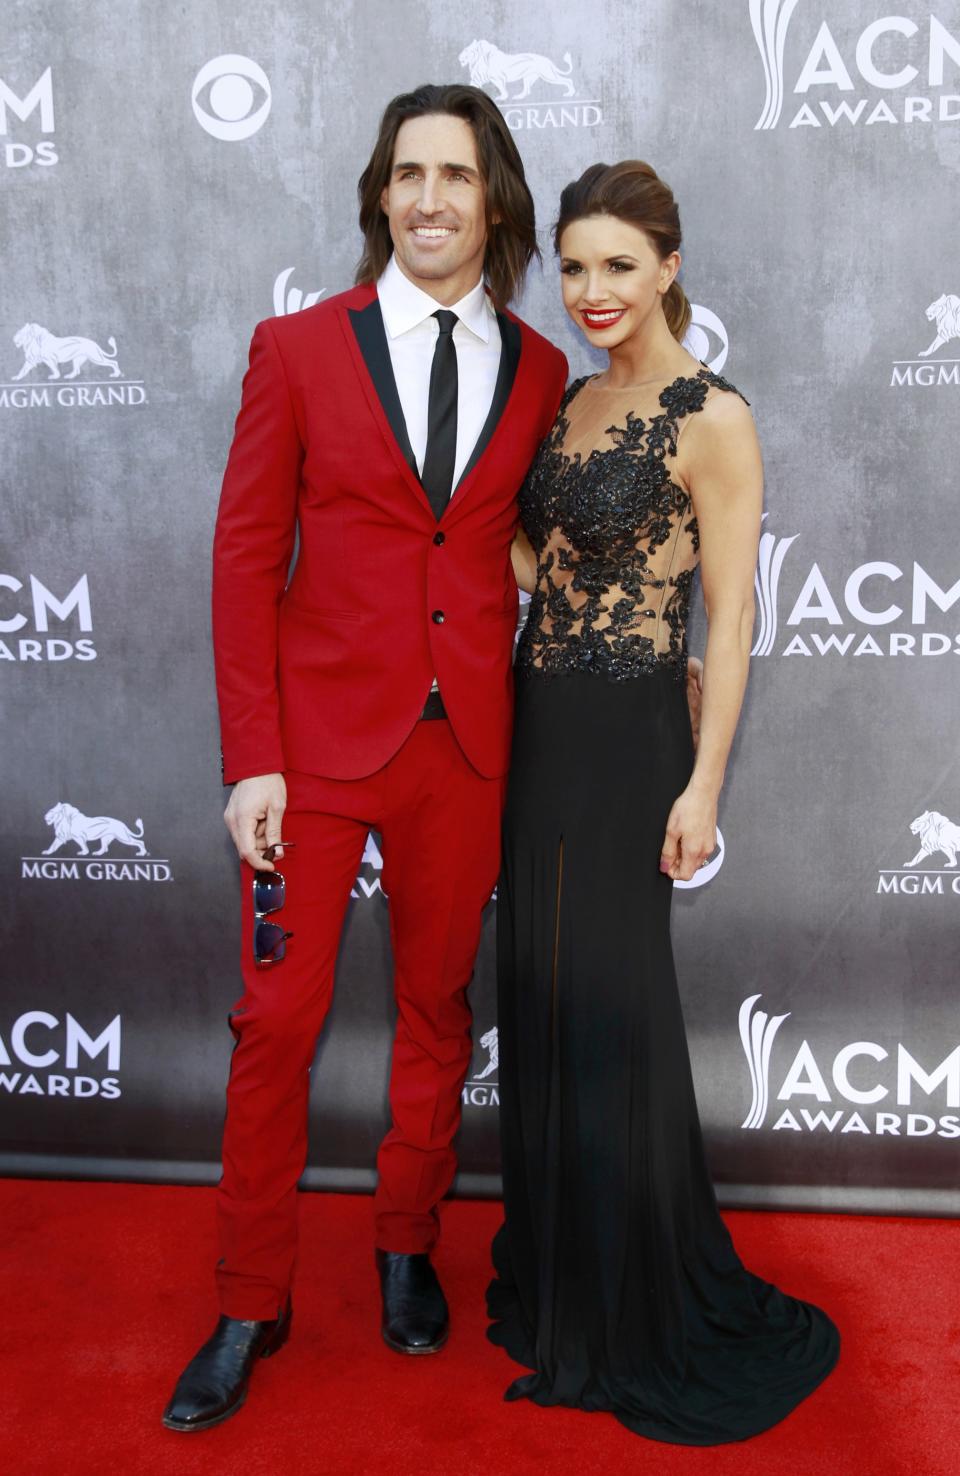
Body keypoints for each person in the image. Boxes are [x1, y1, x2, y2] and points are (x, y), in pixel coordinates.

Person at [162, 83, 568, 1434]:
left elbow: (513, 544)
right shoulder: (296, 347)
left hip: (466, 749)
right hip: (315, 758)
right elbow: (241, 559)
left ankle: (407, 1245)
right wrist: (249, 757)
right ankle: (245, 1298)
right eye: (409, 174)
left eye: (457, 175)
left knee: (438, 1014)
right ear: (379, 196)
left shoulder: (541, 370)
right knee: (276, 1022)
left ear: (494, 201)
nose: (432, 199)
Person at [488, 161, 840, 1445]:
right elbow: (540, 557)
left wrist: (703, 780)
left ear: (670, 266)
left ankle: (634, 1300)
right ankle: (566, 1280)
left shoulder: (714, 416)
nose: (590, 290)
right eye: (573, 267)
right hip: (538, 724)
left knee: (614, 998)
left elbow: (732, 619)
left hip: (637, 737)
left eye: (618, 265)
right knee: (539, 982)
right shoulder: (576, 400)